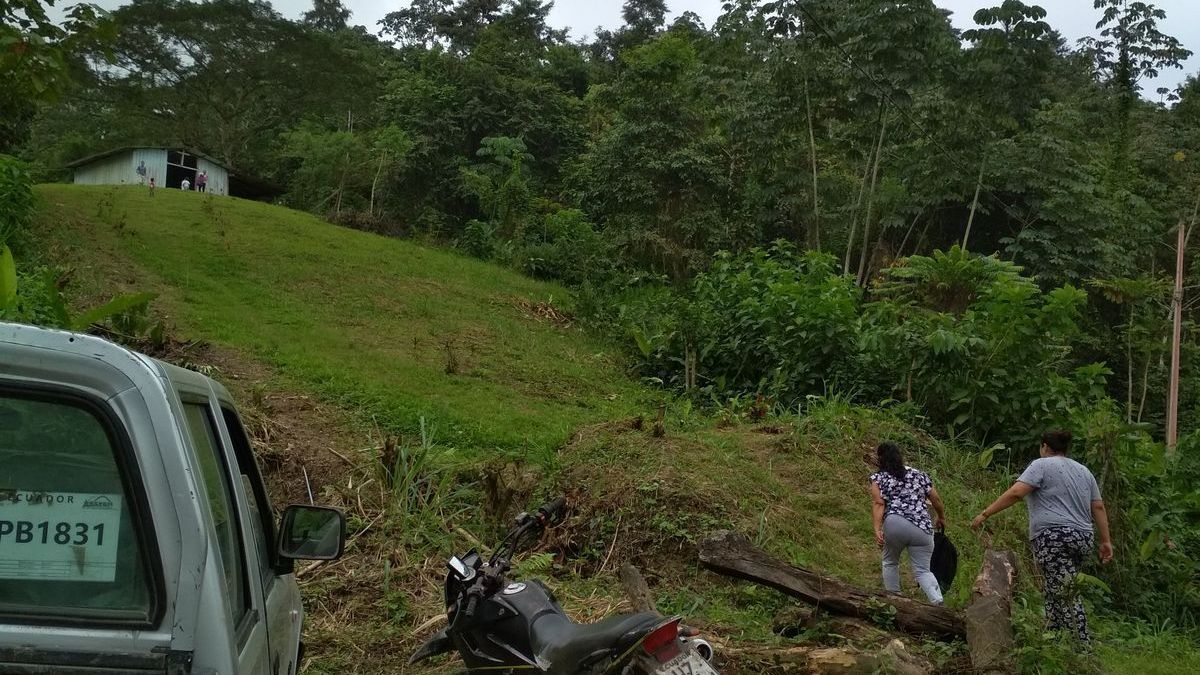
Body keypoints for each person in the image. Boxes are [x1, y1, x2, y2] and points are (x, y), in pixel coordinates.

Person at [971, 430, 1113, 643]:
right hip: (1082, 537)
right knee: (1055, 587)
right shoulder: (1084, 471)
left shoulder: (1041, 465)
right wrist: (1105, 541)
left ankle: (1081, 647)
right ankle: (1054, 639)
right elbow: (1099, 507)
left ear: (1045, 446)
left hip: (1053, 536)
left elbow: (1016, 493)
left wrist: (985, 513)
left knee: (1065, 591)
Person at [870, 442, 947, 605]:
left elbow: (879, 503)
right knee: (923, 571)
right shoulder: (919, 474)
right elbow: (936, 500)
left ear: (880, 459)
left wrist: (877, 529)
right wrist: (941, 517)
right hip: (923, 528)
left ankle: (895, 601)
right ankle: (938, 601)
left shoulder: (879, 477)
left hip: (895, 523)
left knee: (890, 561)